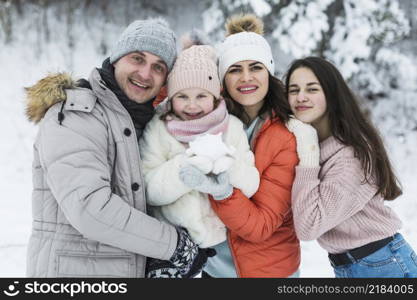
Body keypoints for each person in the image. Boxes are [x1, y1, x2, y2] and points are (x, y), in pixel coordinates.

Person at [25, 18, 210, 278]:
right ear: (116, 59)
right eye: (137, 58)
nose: (145, 74)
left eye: (158, 67)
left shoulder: (144, 124)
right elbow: (90, 209)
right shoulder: (76, 114)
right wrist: (175, 245)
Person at [179, 14, 301, 277]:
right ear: (223, 78)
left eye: (255, 67)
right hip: (213, 269)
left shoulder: (286, 135)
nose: (246, 78)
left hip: (268, 272)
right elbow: (165, 106)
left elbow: (261, 225)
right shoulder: (209, 118)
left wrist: (222, 192)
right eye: (235, 69)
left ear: (268, 71)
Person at [284, 56, 417, 278]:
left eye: (312, 89)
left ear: (331, 94)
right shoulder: (317, 145)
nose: (301, 97)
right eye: (294, 90)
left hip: (384, 266)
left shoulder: (350, 157)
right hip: (354, 266)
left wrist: (307, 159)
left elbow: (309, 226)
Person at [140, 45, 260, 277]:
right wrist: (186, 165)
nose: (192, 105)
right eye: (182, 96)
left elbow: (252, 183)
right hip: (175, 246)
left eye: (201, 96)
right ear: (171, 98)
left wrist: (226, 162)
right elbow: (147, 189)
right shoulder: (158, 129)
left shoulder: (232, 127)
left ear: (215, 97)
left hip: (224, 243)